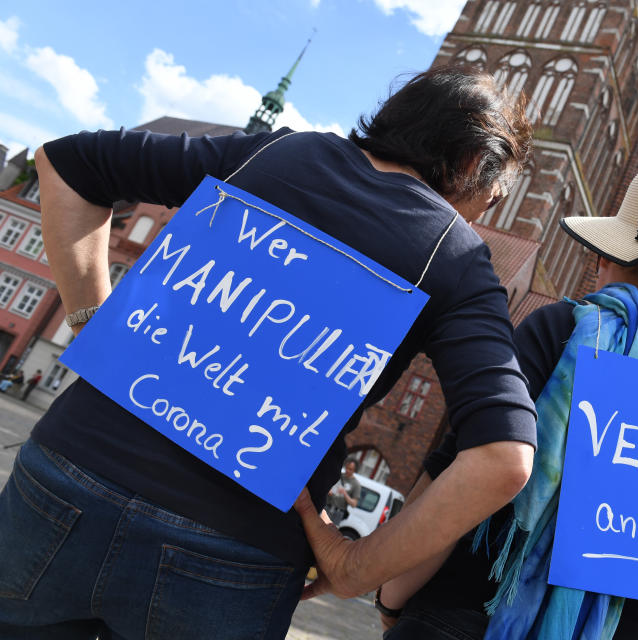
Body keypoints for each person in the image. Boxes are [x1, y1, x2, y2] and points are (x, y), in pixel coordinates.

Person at [0, 67, 537, 639]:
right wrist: (359, 568)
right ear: (471, 166)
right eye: (495, 192)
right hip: (232, 550)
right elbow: (503, 457)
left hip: (69, 474)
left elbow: (66, 162)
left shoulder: (279, 153)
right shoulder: (453, 255)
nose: (490, 208)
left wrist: (93, 321)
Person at [349, 165, 638, 639]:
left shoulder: (560, 329)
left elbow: (465, 473)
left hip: (460, 616)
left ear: (609, 256)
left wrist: (392, 598)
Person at [326, 459, 362, 526]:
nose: (347, 470)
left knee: (330, 532)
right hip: (327, 506)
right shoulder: (338, 475)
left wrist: (345, 494)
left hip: (338, 512)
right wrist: (328, 490)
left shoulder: (356, 484)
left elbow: (354, 504)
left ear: (354, 470)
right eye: (347, 468)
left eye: (350, 469)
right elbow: (326, 486)